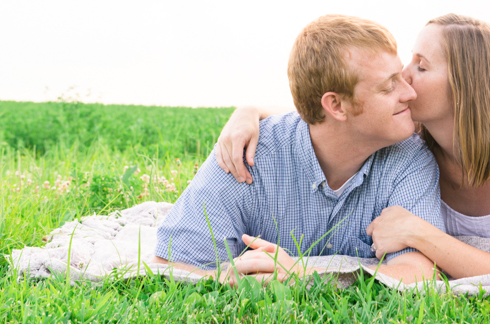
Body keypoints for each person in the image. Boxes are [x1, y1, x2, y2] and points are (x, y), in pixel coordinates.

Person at [216, 14, 490, 279]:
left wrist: (418, 233)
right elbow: (337, 116)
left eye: (421, 66)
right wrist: (252, 110)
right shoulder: (410, 129)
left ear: (467, 88)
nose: (403, 75)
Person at [153, 15, 444, 285]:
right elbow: (172, 265)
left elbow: (419, 273)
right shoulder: (247, 155)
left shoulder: (411, 158)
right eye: (388, 87)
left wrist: (302, 275)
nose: (410, 93)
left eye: (401, 78)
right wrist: (237, 280)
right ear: (336, 106)